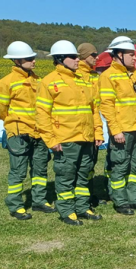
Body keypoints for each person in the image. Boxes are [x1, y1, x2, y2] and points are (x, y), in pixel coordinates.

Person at [35, 40, 104, 225]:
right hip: (65, 139)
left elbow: (93, 109)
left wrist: (98, 133)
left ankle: (82, 207)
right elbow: (42, 114)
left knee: (83, 174)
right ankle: (66, 210)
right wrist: (51, 140)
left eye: (77, 56)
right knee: (66, 176)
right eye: (73, 57)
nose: (77, 60)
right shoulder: (49, 82)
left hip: (86, 138)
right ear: (60, 59)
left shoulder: (81, 80)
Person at [0, 41, 57, 220]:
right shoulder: (5, 83)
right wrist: (14, 122)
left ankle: (39, 201)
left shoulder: (39, 81)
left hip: (39, 132)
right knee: (18, 171)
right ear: (17, 60)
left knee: (40, 169)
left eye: (33, 58)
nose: (34, 61)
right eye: (29, 58)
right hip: (19, 134)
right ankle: (15, 205)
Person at [99, 36, 136, 215]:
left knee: (135, 167)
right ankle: (120, 202)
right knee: (120, 167)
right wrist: (116, 130)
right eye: (131, 54)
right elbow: (106, 106)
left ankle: (135, 199)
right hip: (122, 130)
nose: (134, 58)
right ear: (118, 55)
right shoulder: (108, 76)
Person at [75, 43, 106, 206]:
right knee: (78, 166)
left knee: (90, 164)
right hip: (78, 129)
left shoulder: (95, 76)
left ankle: (89, 194)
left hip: (93, 126)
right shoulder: (76, 74)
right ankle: (79, 197)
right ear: (83, 56)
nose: (97, 57)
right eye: (93, 55)